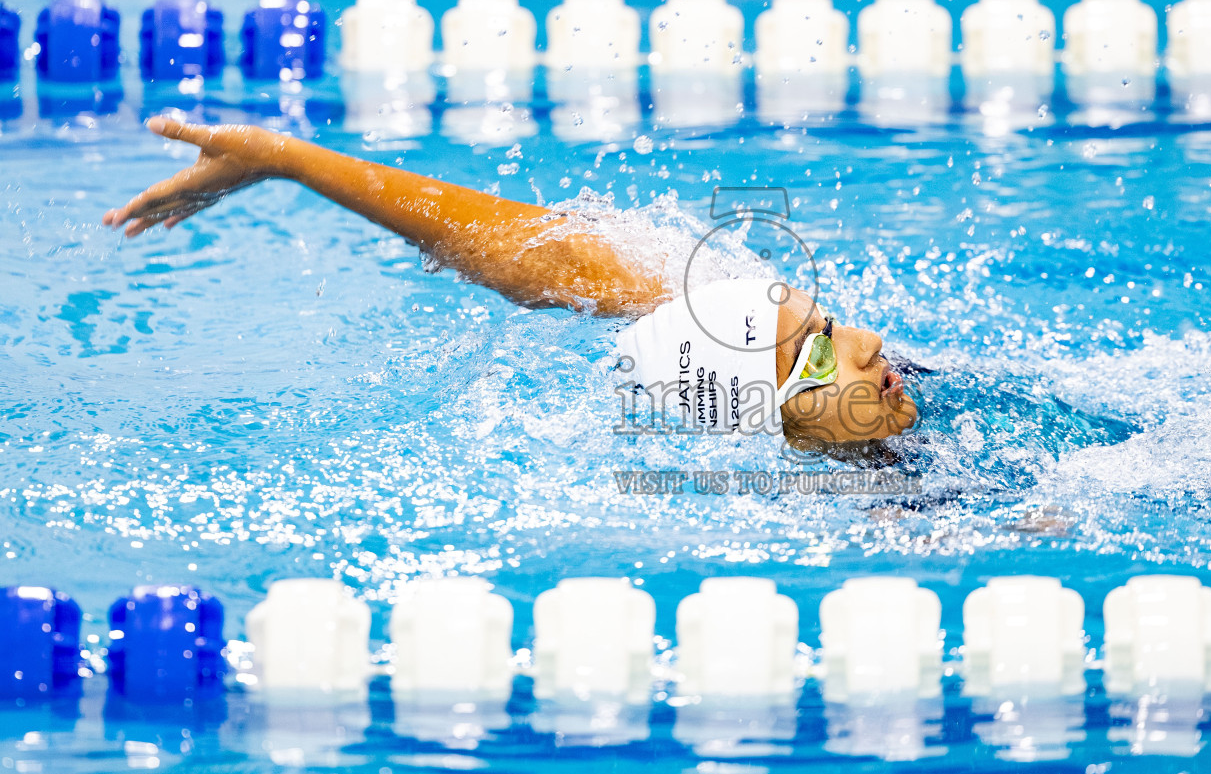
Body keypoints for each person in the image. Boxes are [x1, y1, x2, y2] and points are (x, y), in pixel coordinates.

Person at [104, 118, 918, 448]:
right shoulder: (865, 516)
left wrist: (288, 158)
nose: (871, 341)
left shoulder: (870, 394)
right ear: (761, 430)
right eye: (821, 352)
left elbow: (546, 262)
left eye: (833, 323)